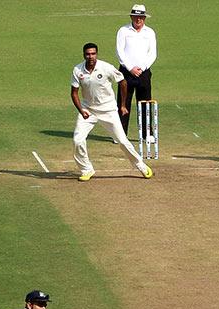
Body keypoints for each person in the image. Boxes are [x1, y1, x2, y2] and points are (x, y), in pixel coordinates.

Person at [71, 42, 153, 182]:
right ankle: (86, 169)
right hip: (88, 110)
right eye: (88, 54)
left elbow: (122, 81)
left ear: (96, 54)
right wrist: (81, 110)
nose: (90, 56)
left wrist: (122, 105)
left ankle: (141, 166)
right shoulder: (77, 70)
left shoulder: (106, 67)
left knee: (122, 140)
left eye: (93, 53)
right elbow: (74, 93)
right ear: (84, 55)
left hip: (108, 110)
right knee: (77, 140)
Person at [115, 4, 157, 137]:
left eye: (141, 17)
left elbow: (153, 53)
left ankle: (146, 134)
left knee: (145, 103)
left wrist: (142, 68)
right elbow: (119, 51)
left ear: (144, 18)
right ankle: (121, 135)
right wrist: (130, 68)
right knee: (123, 103)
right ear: (132, 17)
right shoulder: (123, 30)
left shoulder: (149, 32)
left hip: (143, 73)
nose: (138, 20)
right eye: (136, 17)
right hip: (126, 73)